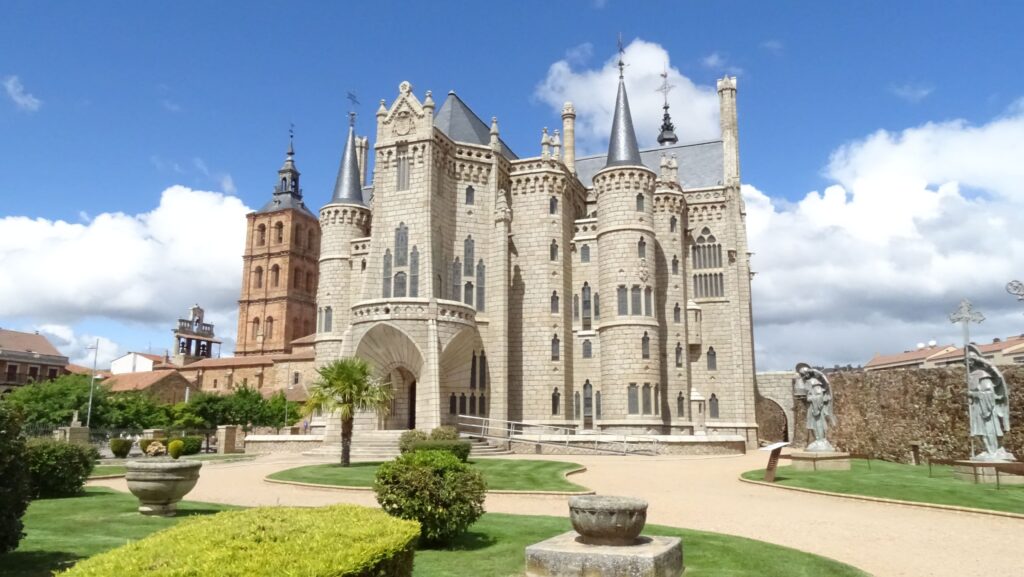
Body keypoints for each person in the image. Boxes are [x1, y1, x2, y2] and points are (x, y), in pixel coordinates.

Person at [966, 345, 1014, 461]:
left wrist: (973, 394)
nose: (968, 363)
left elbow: (989, 392)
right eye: (967, 360)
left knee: (989, 430)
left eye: (970, 360)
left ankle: (993, 451)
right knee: (980, 432)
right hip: (977, 408)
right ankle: (988, 451)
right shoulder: (971, 375)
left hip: (985, 408)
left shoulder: (983, 375)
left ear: (975, 360)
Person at [796, 362, 837, 452]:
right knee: (812, 425)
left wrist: (810, 398)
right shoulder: (806, 382)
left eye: (803, 373)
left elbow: (819, 395)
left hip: (816, 407)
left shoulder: (814, 382)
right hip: (811, 407)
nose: (802, 375)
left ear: (808, 372)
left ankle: (821, 440)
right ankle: (817, 440)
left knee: (818, 423)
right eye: (801, 374)